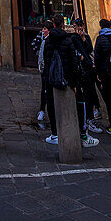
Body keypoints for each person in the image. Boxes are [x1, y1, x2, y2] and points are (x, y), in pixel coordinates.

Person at [42, 13, 98, 149]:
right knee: (79, 104)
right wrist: (74, 82)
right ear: (63, 25)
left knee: (53, 106)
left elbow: (46, 61)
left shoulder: (48, 41)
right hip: (68, 80)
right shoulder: (68, 40)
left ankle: (55, 133)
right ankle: (82, 133)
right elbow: (73, 62)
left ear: (53, 25)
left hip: (52, 79)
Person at [74, 20, 102, 133]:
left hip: (88, 69)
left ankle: (90, 118)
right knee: (82, 96)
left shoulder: (86, 37)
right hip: (80, 70)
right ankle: (85, 120)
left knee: (89, 93)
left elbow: (89, 49)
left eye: (79, 26)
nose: (78, 29)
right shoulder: (74, 38)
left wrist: (84, 39)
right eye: (76, 27)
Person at [32, 20, 51, 125]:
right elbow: (34, 43)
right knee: (44, 89)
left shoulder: (52, 39)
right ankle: (42, 110)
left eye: (44, 28)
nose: (43, 30)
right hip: (44, 68)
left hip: (50, 68)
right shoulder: (42, 37)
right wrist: (39, 54)